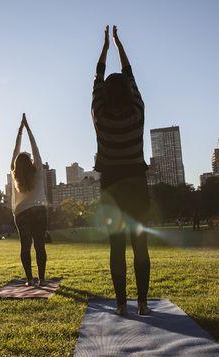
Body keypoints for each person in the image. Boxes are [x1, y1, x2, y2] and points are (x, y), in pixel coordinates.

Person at [92, 25, 151, 316]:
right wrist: (118, 43)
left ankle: (120, 305)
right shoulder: (137, 112)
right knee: (140, 245)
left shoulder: (100, 116)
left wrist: (104, 46)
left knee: (117, 248)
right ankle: (141, 303)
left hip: (112, 189)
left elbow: (97, 78)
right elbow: (130, 73)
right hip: (137, 187)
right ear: (128, 92)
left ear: (105, 95)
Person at [11, 113, 48, 287]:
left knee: (25, 246)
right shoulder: (38, 171)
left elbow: (15, 152)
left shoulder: (14, 174)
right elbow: (35, 148)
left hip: (21, 213)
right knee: (40, 245)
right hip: (39, 210)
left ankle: (30, 280)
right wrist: (28, 129)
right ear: (31, 162)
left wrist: (19, 133)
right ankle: (41, 279)